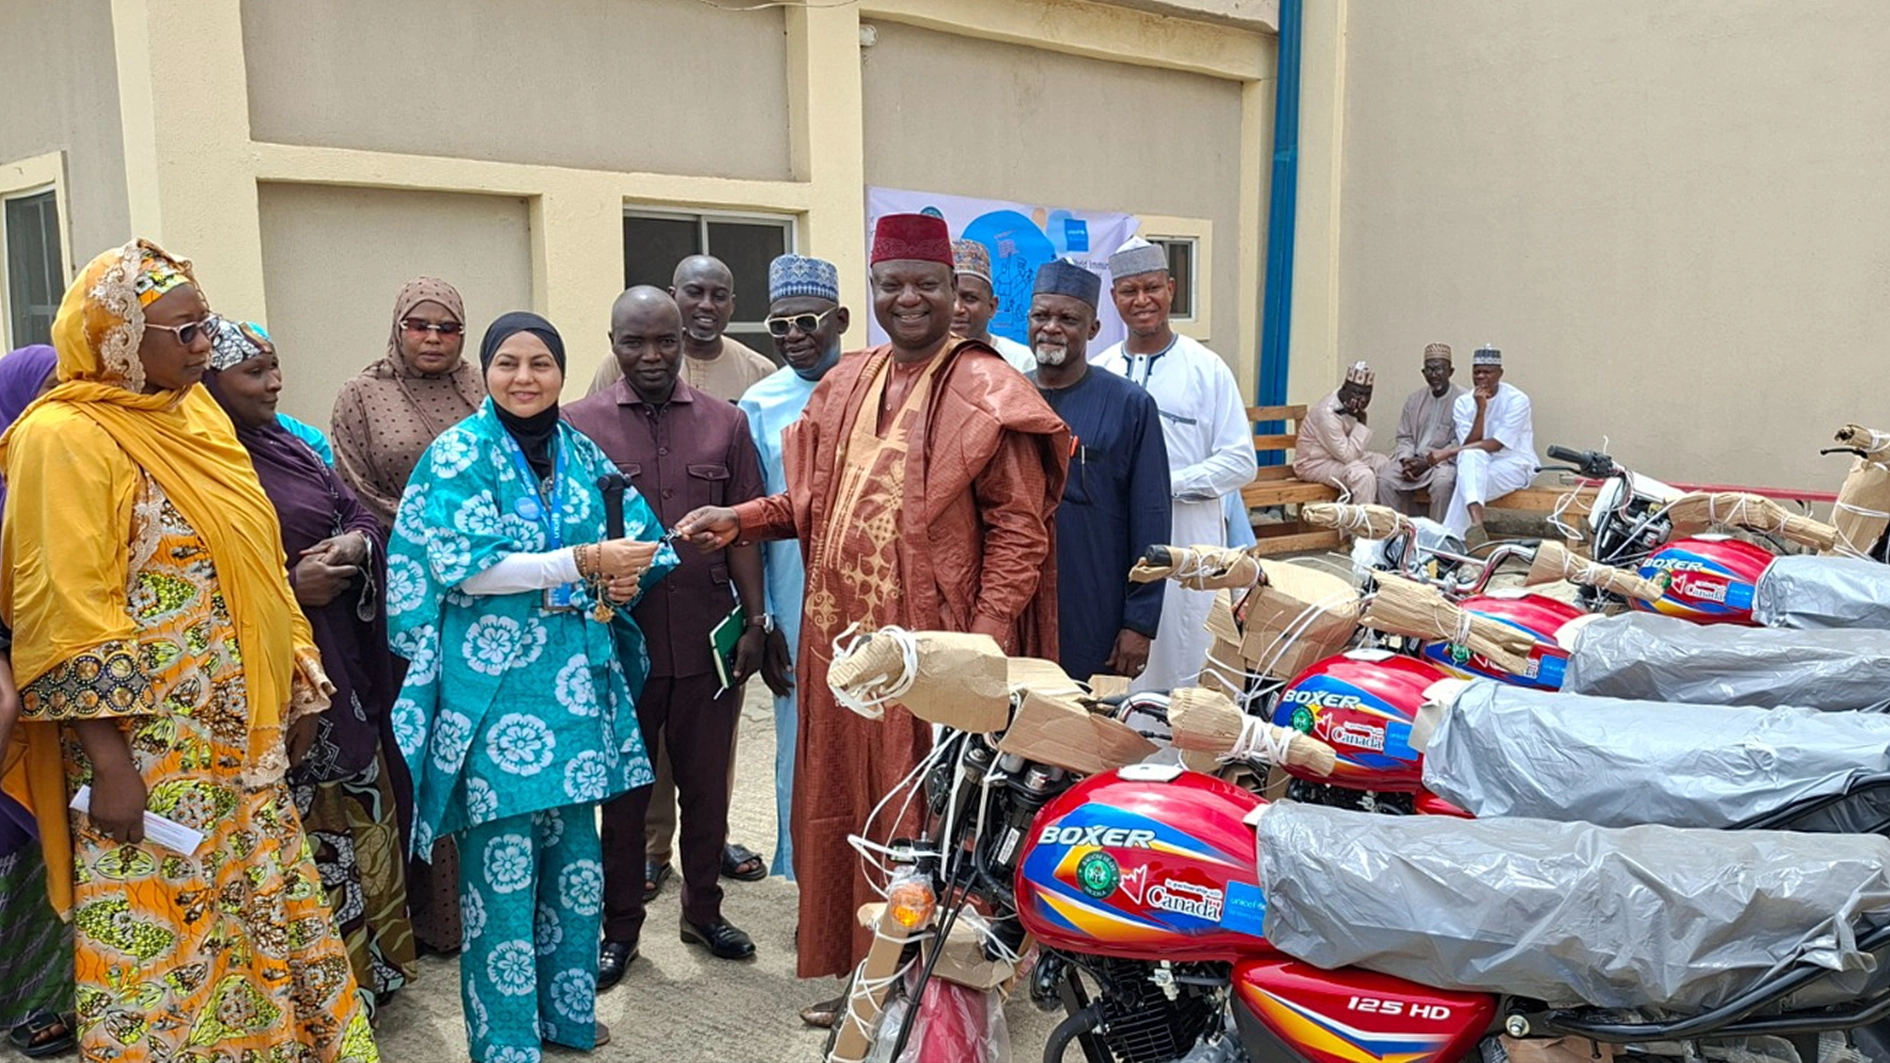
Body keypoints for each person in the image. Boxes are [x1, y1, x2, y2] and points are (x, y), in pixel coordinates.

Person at [674, 212, 1069, 1024]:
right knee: (852, 809)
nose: (909, 298)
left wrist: (977, 646)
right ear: (873, 293)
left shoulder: (988, 388)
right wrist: (740, 519)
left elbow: (1022, 532)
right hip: (847, 654)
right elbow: (812, 502)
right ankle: (867, 972)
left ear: (955, 291)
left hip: (934, 655)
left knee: (932, 817)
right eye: (892, 284)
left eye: (927, 283)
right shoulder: (847, 381)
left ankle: (936, 994)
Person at [0, 240, 377, 1061]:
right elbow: (61, 613)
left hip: (242, 746)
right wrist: (111, 765)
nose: (206, 347)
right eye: (186, 331)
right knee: (166, 960)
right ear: (120, 335)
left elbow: (259, 561)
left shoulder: (194, 414)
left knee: (257, 933)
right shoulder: (63, 438)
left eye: (205, 326)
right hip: (149, 758)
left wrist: (296, 683)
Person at [388, 311, 674, 1063]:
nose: (524, 377)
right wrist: (580, 558)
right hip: (495, 702)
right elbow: (467, 565)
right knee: (502, 882)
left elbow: (645, 540)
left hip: (576, 695)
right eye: (508, 362)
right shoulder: (459, 455)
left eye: (541, 363)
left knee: (575, 872)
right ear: (485, 372)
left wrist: (627, 566)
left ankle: (566, 1018)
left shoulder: (583, 452)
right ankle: (507, 1040)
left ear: (561, 371)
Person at [203, 319, 417, 1014]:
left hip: (342, 669)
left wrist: (353, 548)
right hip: (271, 683)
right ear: (209, 380)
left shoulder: (288, 444)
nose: (274, 382)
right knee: (303, 839)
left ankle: (375, 969)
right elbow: (199, 580)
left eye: (275, 365)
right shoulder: (201, 461)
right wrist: (288, 589)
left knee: (362, 817)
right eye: (255, 371)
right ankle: (321, 991)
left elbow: (358, 513)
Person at [565, 287, 768, 985]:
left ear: (683, 339)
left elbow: (746, 534)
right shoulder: (577, 425)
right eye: (635, 342)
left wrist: (757, 621)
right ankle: (619, 929)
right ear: (613, 342)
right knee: (622, 797)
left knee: (707, 789)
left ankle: (704, 910)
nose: (651, 355)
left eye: (664, 341)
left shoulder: (725, 423)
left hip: (708, 637)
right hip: (622, 643)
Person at [330, 276, 482, 955]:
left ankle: (485, 902)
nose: (432, 338)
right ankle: (424, 913)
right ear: (398, 327)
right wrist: (432, 533)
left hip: (487, 592)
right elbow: (354, 488)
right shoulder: (362, 395)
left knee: (480, 743)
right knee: (414, 742)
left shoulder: (485, 386)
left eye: (446, 328)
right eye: (419, 325)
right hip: (405, 598)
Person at [1094, 237, 1257, 693]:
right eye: (1129, 291)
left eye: (1151, 288)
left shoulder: (1207, 369)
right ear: (1114, 299)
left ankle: (1192, 764)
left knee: (1190, 659)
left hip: (1190, 542)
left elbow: (1241, 462)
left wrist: (1163, 486)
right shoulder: (1100, 370)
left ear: (1171, 289)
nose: (1141, 300)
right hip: (1117, 546)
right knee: (1124, 675)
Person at [736, 254, 849, 882]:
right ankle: (803, 874)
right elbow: (750, 520)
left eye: (807, 321)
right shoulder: (759, 403)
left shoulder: (875, 385)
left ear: (840, 319)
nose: (795, 337)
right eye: (779, 327)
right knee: (800, 745)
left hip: (871, 601)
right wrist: (765, 618)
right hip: (793, 602)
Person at [1025, 260, 1172, 682]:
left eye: (1068, 318)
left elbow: (1152, 518)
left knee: (1084, 736)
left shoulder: (1129, 405)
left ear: (1092, 329)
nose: (1051, 328)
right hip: (1016, 611)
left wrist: (1139, 622)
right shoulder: (1006, 397)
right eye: (1041, 316)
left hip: (1094, 609)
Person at [0, 344, 74, 1060]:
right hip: (10, 686)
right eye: (48, 385)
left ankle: (45, 995)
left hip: (55, 686)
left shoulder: (69, 466)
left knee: (54, 838)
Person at [587, 255, 775, 402]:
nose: (707, 305)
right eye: (695, 293)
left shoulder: (759, 371)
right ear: (673, 296)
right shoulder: (622, 362)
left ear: (732, 305)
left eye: (719, 296)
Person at [1439, 344, 1537, 542]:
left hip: (1515, 464)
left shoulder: (1517, 400)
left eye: (1487, 372)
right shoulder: (1464, 403)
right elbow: (1471, 444)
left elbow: (1495, 445)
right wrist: (1480, 410)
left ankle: (1451, 545)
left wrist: (1447, 453)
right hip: (1478, 463)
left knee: (1467, 484)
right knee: (1470, 461)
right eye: (1477, 372)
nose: (1481, 377)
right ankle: (1475, 528)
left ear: (1500, 373)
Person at [1377, 342, 1467, 521]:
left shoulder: (1464, 401)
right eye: (1430, 370)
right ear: (1423, 373)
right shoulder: (1414, 400)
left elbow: (1462, 442)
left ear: (1451, 371)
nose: (1434, 375)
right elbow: (1405, 436)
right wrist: (1406, 461)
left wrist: (1428, 461)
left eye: (1440, 369)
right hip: (1414, 461)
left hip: (1444, 463)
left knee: (1443, 484)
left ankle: (1438, 541)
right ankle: (1395, 537)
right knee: (1384, 480)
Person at [1292, 362, 1390, 504]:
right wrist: (1362, 420)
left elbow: (1348, 453)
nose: (1361, 399)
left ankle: (1386, 519)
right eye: (1356, 392)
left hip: (1337, 456)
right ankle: (1362, 523)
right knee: (1363, 476)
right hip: (1314, 463)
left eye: (1367, 394)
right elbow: (1348, 457)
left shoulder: (1349, 405)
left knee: (1384, 463)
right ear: (1344, 389)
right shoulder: (1327, 414)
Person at [951, 239, 1035, 373]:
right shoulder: (921, 360)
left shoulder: (1022, 362)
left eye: (970, 299)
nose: (957, 309)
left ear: (992, 307)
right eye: (950, 298)